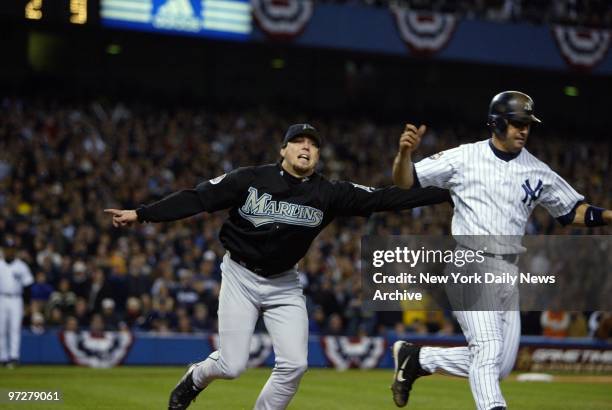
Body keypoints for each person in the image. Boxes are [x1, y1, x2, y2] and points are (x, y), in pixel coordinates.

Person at [105, 123, 452, 410]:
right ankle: (194, 378)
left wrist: (448, 191)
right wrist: (143, 214)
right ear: (282, 150)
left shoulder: (329, 193)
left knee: (295, 365)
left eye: (313, 144)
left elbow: (384, 198)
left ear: (318, 156)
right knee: (231, 365)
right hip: (240, 275)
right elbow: (198, 197)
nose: (305, 147)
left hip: (284, 283)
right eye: (297, 141)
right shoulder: (250, 179)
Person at [390, 91, 612, 410]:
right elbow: (405, 181)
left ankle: (418, 359)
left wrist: (608, 215)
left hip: (509, 270)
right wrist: (404, 155)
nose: (523, 129)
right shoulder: (464, 157)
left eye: (527, 124)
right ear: (496, 124)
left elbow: (573, 211)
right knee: (488, 349)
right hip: (470, 262)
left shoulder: (537, 170)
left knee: (501, 365)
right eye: (516, 123)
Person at [0, 235, 34, 368]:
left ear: (15, 250)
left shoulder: (21, 266)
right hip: (1, 298)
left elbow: (28, 286)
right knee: (1, 329)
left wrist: (27, 304)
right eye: (7, 249)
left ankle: (14, 357)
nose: (9, 251)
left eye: (11, 249)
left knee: (14, 329)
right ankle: (2, 357)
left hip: (16, 299)